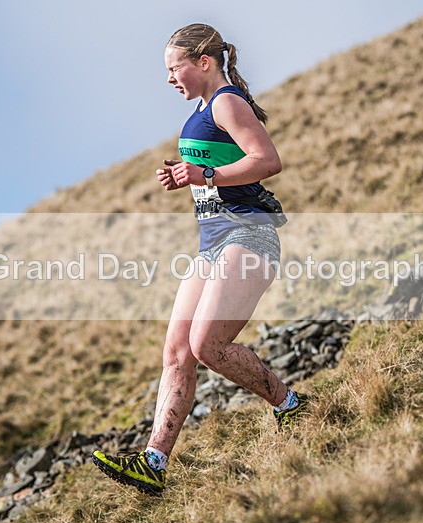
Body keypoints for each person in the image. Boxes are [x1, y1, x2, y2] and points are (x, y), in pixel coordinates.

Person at [91, 23, 309, 496]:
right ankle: (153, 461)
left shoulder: (228, 102)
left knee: (208, 344)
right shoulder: (201, 109)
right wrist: (184, 177)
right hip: (212, 244)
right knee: (177, 352)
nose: (169, 78)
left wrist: (205, 172)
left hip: (250, 237)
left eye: (175, 68)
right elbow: (215, 171)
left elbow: (268, 160)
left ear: (203, 62)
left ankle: (290, 404)